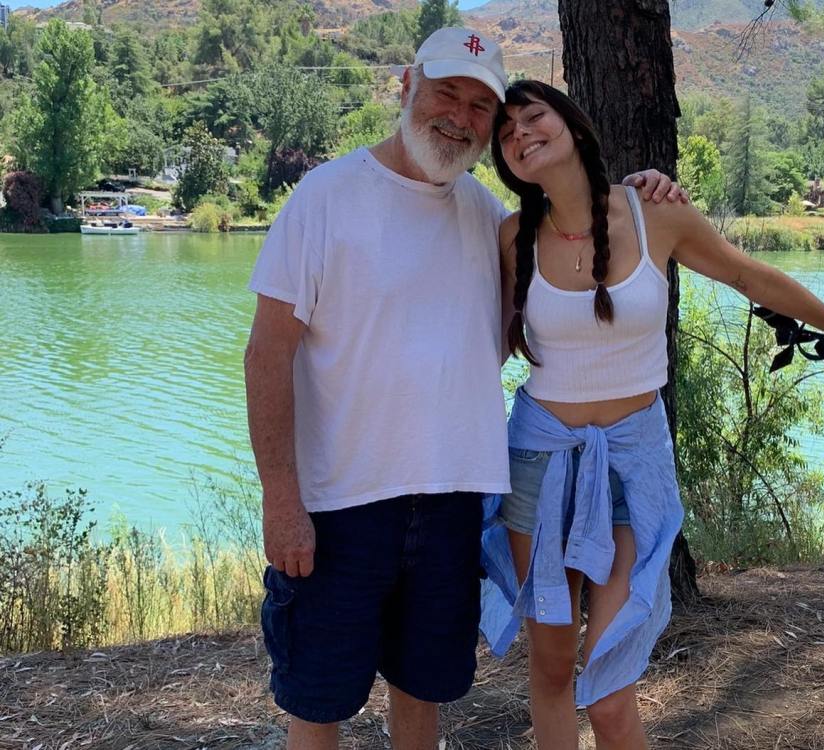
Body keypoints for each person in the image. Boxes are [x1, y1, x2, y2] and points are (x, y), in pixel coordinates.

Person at [244, 29, 683, 750]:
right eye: (447, 92)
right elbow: (266, 356)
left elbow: (557, 303)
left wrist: (638, 197)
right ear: (407, 84)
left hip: (453, 504)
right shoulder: (325, 197)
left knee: (425, 692)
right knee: (318, 700)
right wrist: (282, 500)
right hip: (338, 507)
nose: (461, 116)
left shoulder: (488, 221)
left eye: (482, 106)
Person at [479, 80, 824, 749]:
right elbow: (484, 349)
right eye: (506, 133)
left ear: (574, 125)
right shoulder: (511, 236)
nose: (521, 134)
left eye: (534, 117)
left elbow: (751, 278)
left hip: (633, 464)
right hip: (539, 462)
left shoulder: (654, 214)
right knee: (551, 669)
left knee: (609, 693)